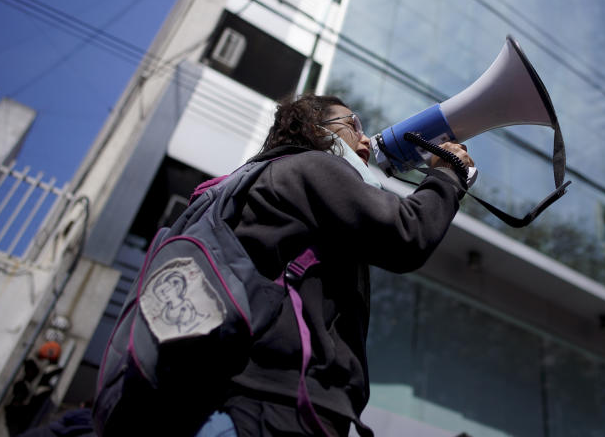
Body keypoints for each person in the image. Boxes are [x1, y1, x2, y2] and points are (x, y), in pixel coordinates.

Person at [196, 94, 473, 437]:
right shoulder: (312, 166)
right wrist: (447, 174)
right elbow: (407, 234)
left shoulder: (274, 180)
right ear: (317, 131)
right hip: (280, 405)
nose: (367, 139)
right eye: (353, 125)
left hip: (262, 399)